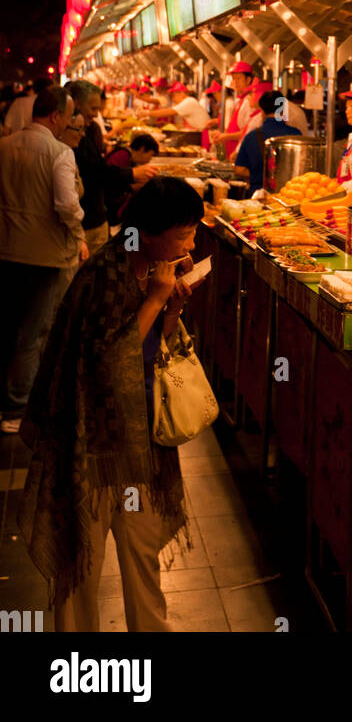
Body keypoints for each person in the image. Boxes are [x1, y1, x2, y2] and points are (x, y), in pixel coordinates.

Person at [18, 177, 203, 631]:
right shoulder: (104, 273)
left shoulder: (154, 266)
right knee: (81, 556)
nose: (192, 243)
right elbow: (105, 364)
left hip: (140, 440)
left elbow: (153, 349)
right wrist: (158, 298)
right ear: (151, 231)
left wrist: (172, 308)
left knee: (142, 553)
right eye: (184, 234)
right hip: (89, 442)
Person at [0, 86, 88, 435]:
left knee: (7, 326)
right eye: (68, 116)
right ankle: (16, 409)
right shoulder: (60, 152)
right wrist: (77, 226)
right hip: (45, 257)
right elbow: (67, 205)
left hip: (5, 250)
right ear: (56, 116)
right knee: (32, 333)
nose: (68, 122)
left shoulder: (3, 145)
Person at [69, 80, 158, 253]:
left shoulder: (92, 129)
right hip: (86, 221)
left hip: (96, 216)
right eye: (93, 109)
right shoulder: (71, 140)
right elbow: (92, 172)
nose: (96, 115)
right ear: (76, 104)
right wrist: (132, 175)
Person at [234, 91, 301, 195]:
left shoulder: (252, 136)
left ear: (262, 111)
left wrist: (258, 174)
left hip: (258, 198)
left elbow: (239, 169)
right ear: (283, 111)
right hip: (290, 197)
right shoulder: (296, 135)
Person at [209, 61, 258, 161]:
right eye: (233, 78)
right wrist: (222, 134)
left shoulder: (249, 103)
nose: (235, 82)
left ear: (248, 80)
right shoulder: (240, 100)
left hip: (240, 155)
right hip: (232, 155)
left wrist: (226, 136)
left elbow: (248, 133)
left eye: (238, 78)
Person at [145, 82, 210, 134]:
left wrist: (146, 113)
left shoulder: (189, 102)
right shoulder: (188, 101)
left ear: (181, 93)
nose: (173, 99)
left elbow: (169, 112)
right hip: (198, 134)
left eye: (174, 96)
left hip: (202, 135)